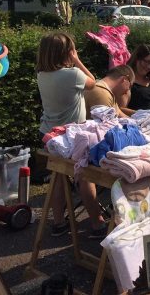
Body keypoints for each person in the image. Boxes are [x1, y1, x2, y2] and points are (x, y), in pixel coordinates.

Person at [36, 32, 106, 239]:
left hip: (50, 134)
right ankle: (97, 222)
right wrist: (77, 60)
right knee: (85, 175)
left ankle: (58, 223)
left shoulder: (42, 74)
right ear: (66, 53)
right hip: (72, 135)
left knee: (58, 176)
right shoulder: (72, 74)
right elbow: (93, 82)